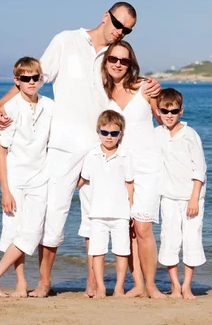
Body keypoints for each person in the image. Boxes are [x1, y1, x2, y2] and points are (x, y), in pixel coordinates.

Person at [0, 2, 161, 298]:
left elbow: (126, 84)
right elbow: (35, 78)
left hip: (101, 148)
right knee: (53, 215)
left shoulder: (111, 57)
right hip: (62, 146)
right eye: (118, 24)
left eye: (127, 30)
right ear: (105, 16)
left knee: (96, 218)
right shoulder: (66, 40)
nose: (120, 32)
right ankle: (44, 281)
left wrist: (152, 86)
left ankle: (93, 282)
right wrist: (2, 104)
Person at [95, 40, 166, 299]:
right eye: (113, 59)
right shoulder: (101, 93)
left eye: (123, 60)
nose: (117, 64)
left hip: (148, 166)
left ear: (131, 64)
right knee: (127, 229)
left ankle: (151, 285)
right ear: (106, 61)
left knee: (144, 227)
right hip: (118, 167)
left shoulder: (145, 87)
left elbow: (165, 117)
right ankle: (137, 285)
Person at [0, 57, 54, 298]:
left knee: (32, 232)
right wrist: (5, 190)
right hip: (15, 180)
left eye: (36, 78)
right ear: (17, 81)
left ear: (41, 79)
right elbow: (1, 153)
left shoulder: (50, 106)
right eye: (26, 78)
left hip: (41, 178)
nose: (32, 82)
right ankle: (21, 284)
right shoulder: (9, 109)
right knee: (16, 232)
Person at [153, 88, 207, 300]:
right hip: (168, 197)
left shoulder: (190, 135)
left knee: (192, 239)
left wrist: (194, 197)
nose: (169, 115)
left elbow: (199, 169)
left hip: (192, 198)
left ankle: (187, 286)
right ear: (158, 112)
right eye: (165, 111)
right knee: (170, 240)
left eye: (173, 111)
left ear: (181, 111)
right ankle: (175, 285)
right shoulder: (157, 134)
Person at [80, 110, 134, 299]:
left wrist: (132, 211)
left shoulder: (126, 155)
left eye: (114, 133)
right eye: (104, 132)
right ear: (98, 132)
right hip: (97, 214)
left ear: (121, 134)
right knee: (97, 252)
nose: (109, 137)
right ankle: (101, 287)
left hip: (121, 213)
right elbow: (82, 180)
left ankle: (119, 287)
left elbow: (130, 184)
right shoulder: (92, 155)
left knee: (121, 252)